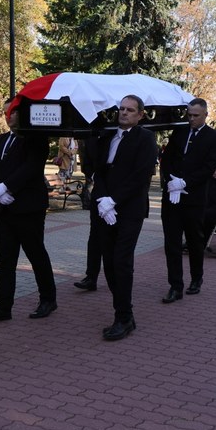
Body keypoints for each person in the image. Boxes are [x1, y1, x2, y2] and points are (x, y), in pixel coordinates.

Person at [0, 99, 57, 325]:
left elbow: (31, 168)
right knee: (4, 258)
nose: (7, 116)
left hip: (28, 208)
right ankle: (3, 306)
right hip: (4, 208)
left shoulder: (35, 138)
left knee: (35, 254)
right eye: (4, 113)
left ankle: (48, 299)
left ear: (21, 114)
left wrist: (7, 186)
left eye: (11, 112)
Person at [91, 95, 159, 340]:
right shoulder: (108, 135)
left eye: (130, 110)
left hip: (129, 210)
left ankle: (124, 317)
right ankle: (121, 309)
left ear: (140, 114)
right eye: (121, 109)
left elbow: (141, 176)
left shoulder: (146, 138)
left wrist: (114, 200)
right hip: (104, 208)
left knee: (121, 261)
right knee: (108, 262)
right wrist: (102, 199)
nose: (124, 113)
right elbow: (98, 170)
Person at [160, 98, 216, 302]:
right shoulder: (179, 131)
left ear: (205, 115)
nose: (192, 119)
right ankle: (175, 286)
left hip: (194, 198)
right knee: (172, 242)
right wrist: (170, 181)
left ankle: (196, 278)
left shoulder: (214, 137)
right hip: (171, 195)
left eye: (196, 115)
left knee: (195, 241)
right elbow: (167, 158)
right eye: (189, 115)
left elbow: (208, 167)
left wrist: (185, 183)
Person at [74, 137, 102, 291]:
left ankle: (120, 277)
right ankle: (91, 277)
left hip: (119, 196)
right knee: (95, 239)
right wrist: (92, 175)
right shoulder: (91, 138)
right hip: (98, 192)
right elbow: (87, 162)